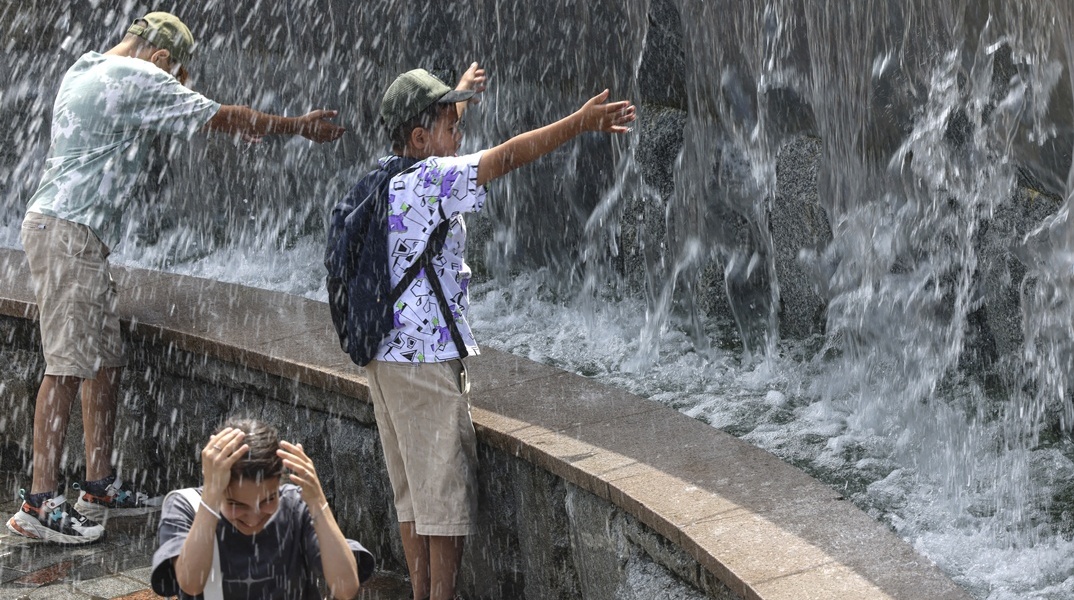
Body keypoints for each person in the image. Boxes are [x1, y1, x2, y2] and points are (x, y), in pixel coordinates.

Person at [7, 11, 345, 545]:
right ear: (162, 57)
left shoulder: (87, 66)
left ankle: (98, 487)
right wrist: (296, 126)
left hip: (72, 232)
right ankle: (39, 501)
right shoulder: (142, 74)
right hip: (68, 233)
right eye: (174, 74)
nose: (173, 84)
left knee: (105, 361)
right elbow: (222, 115)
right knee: (66, 366)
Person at [361, 65, 635, 600]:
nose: (460, 135)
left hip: (385, 355)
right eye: (451, 127)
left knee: (412, 496)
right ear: (420, 138)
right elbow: (507, 156)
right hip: (423, 362)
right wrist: (578, 123)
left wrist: (457, 94)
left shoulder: (388, 175)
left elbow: (440, 136)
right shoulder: (433, 180)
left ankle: (420, 593)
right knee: (443, 500)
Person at [150, 418, 374, 599]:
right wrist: (210, 496)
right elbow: (190, 584)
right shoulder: (186, 506)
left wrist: (318, 503)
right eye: (237, 504)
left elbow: (345, 588)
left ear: (279, 483)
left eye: (268, 500)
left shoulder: (296, 506)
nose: (253, 518)